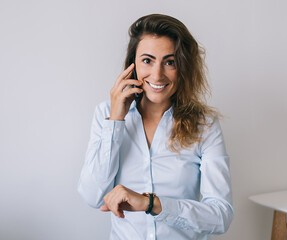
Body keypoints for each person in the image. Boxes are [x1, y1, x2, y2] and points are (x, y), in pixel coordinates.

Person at [78, 14, 233, 240]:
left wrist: (151, 203)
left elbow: (221, 216)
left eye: (170, 62)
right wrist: (116, 121)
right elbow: (93, 196)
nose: (157, 74)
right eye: (147, 60)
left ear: (183, 67)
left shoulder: (204, 124)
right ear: (133, 65)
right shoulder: (106, 114)